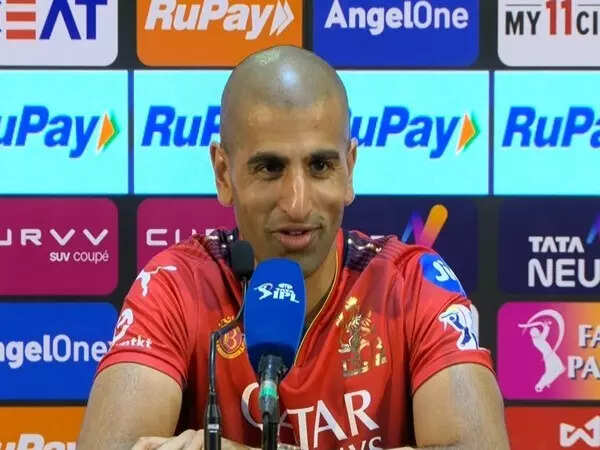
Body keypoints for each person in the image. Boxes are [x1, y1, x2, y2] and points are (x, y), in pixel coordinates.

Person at [77, 45, 510, 450]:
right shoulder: (176, 285)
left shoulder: (412, 283)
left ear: (349, 170)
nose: (297, 204)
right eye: (269, 168)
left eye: (320, 166)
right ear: (224, 174)